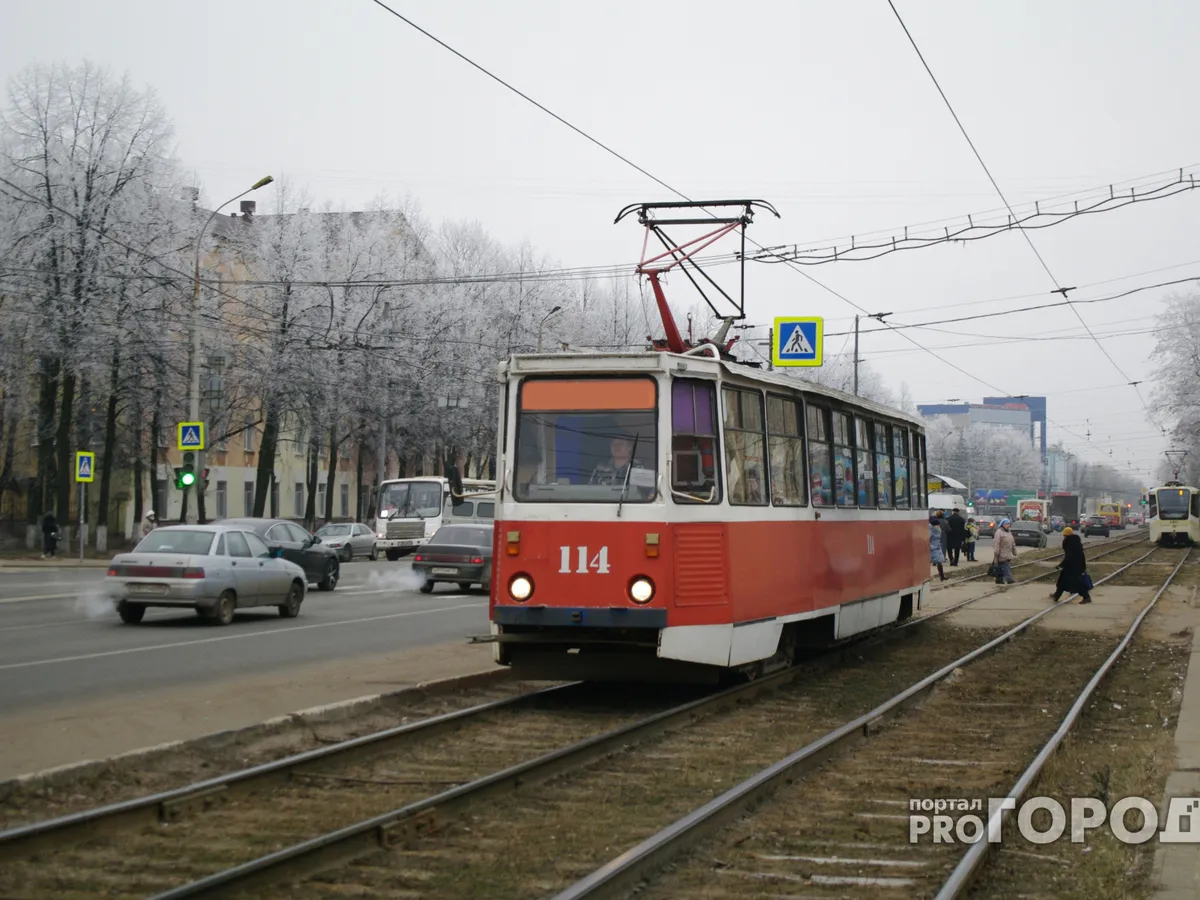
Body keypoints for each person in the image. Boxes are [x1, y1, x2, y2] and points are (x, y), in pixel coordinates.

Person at [1051, 526, 1091, 604]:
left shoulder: (1068, 542)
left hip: (1071, 567)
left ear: (1065, 535)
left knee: (1076, 583)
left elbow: (1069, 556)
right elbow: (1081, 555)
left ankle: (1086, 597)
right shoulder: (1076, 542)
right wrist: (1083, 567)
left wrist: (1061, 565)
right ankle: (1056, 596)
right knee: (1063, 581)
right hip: (1077, 566)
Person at [993, 518, 1018, 584]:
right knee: (1005, 566)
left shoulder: (1009, 532)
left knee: (1003, 566)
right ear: (1002, 524)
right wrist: (996, 552)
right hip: (1001, 553)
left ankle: (999, 579)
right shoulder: (999, 532)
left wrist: (1014, 551)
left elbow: (1013, 542)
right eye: (1007, 524)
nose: (1008, 525)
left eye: (1009, 523)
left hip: (1008, 553)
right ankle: (1008, 579)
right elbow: (996, 542)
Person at [929, 516, 947, 581]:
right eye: (937, 524)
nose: (938, 525)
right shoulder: (930, 531)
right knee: (930, 562)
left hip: (937, 547)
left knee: (939, 562)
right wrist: (931, 547)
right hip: (932, 548)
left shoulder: (938, 530)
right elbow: (928, 540)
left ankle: (942, 576)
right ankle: (928, 576)